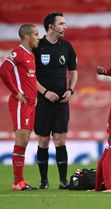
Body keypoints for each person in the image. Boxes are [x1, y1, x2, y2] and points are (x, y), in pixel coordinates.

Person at [33, 12, 78, 189]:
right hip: (43, 102)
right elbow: (30, 76)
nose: (65, 27)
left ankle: (63, 181)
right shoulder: (37, 46)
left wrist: (70, 90)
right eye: (61, 23)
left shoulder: (67, 46)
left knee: (60, 139)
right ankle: (44, 181)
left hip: (61, 102)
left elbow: (74, 71)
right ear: (51, 27)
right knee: (43, 141)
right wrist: (44, 93)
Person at [0, 24, 40, 190]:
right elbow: (3, 71)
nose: (39, 37)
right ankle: (17, 182)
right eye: (36, 34)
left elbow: (29, 80)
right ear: (27, 37)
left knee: (25, 141)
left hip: (30, 104)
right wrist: (16, 92)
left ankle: (19, 181)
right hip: (19, 103)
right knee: (21, 140)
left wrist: (35, 97)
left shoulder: (31, 55)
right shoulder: (18, 52)